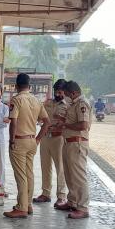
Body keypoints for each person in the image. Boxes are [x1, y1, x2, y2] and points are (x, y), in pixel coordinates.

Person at [4, 73, 50, 218]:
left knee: (21, 175)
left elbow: (14, 122)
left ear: (16, 86)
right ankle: (28, 204)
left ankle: (21, 207)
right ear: (29, 86)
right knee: (29, 173)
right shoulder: (37, 101)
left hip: (19, 140)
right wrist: (38, 139)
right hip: (32, 141)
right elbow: (47, 122)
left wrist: (12, 140)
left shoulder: (16, 100)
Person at [55, 81, 92, 219]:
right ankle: (72, 201)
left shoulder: (82, 104)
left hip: (77, 144)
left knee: (79, 176)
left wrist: (65, 124)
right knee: (69, 175)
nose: (64, 97)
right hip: (68, 143)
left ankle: (83, 207)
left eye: (66, 94)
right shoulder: (73, 104)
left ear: (73, 93)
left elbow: (83, 124)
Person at [33, 79, 67, 207]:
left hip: (59, 139)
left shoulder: (68, 105)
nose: (58, 94)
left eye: (60, 92)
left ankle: (61, 196)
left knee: (60, 168)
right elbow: (40, 118)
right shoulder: (47, 103)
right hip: (46, 138)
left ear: (65, 92)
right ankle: (46, 193)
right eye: (56, 91)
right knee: (45, 166)